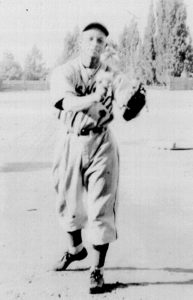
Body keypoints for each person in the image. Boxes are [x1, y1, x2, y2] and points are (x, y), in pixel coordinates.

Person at [50, 22, 145, 294]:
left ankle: (97, 270)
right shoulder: (64, 71)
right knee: (67, 202)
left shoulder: (113, 75)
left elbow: (128, 110)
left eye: (100, 40)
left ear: (105, 46)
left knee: (101, 206)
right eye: (90, 38)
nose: (95, 44)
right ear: (80, 43)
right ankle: (75, 250)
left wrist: (134, 104)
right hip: (70, 139)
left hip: (101, 141)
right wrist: (93, 97)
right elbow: (66, 102)